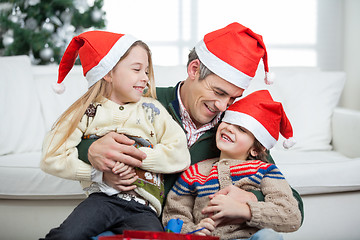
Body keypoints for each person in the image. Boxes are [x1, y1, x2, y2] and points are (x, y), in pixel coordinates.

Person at [76, 22, 304, 224]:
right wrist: (91, 149)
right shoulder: (146, 101)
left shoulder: (234, 128)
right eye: (218, 92)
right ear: (194, 69)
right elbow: (73, 138)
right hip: (130, 216)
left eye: (233, 99)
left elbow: (293, 201)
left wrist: (251, 199)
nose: (224, 107)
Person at [40, 30, 190, 240]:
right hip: (102, 200)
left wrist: (137, 156)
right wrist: (95, 174)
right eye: (137, 69)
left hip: (144, 208)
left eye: (147, 71)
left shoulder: (152, 110)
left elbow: (180, 153)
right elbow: (51, 155)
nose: (145, 78)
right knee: (67, 235)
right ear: (108, 73)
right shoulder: (85, 112)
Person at [162, 90, 301, 240]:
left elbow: (291, 214)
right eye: (228, 121)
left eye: (241, 129)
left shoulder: (265, 171)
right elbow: (174, 213)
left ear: (255, 149)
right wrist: (193, 232)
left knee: (269, 236)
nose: (229, 128)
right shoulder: (194, 173)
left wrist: (245, 210)